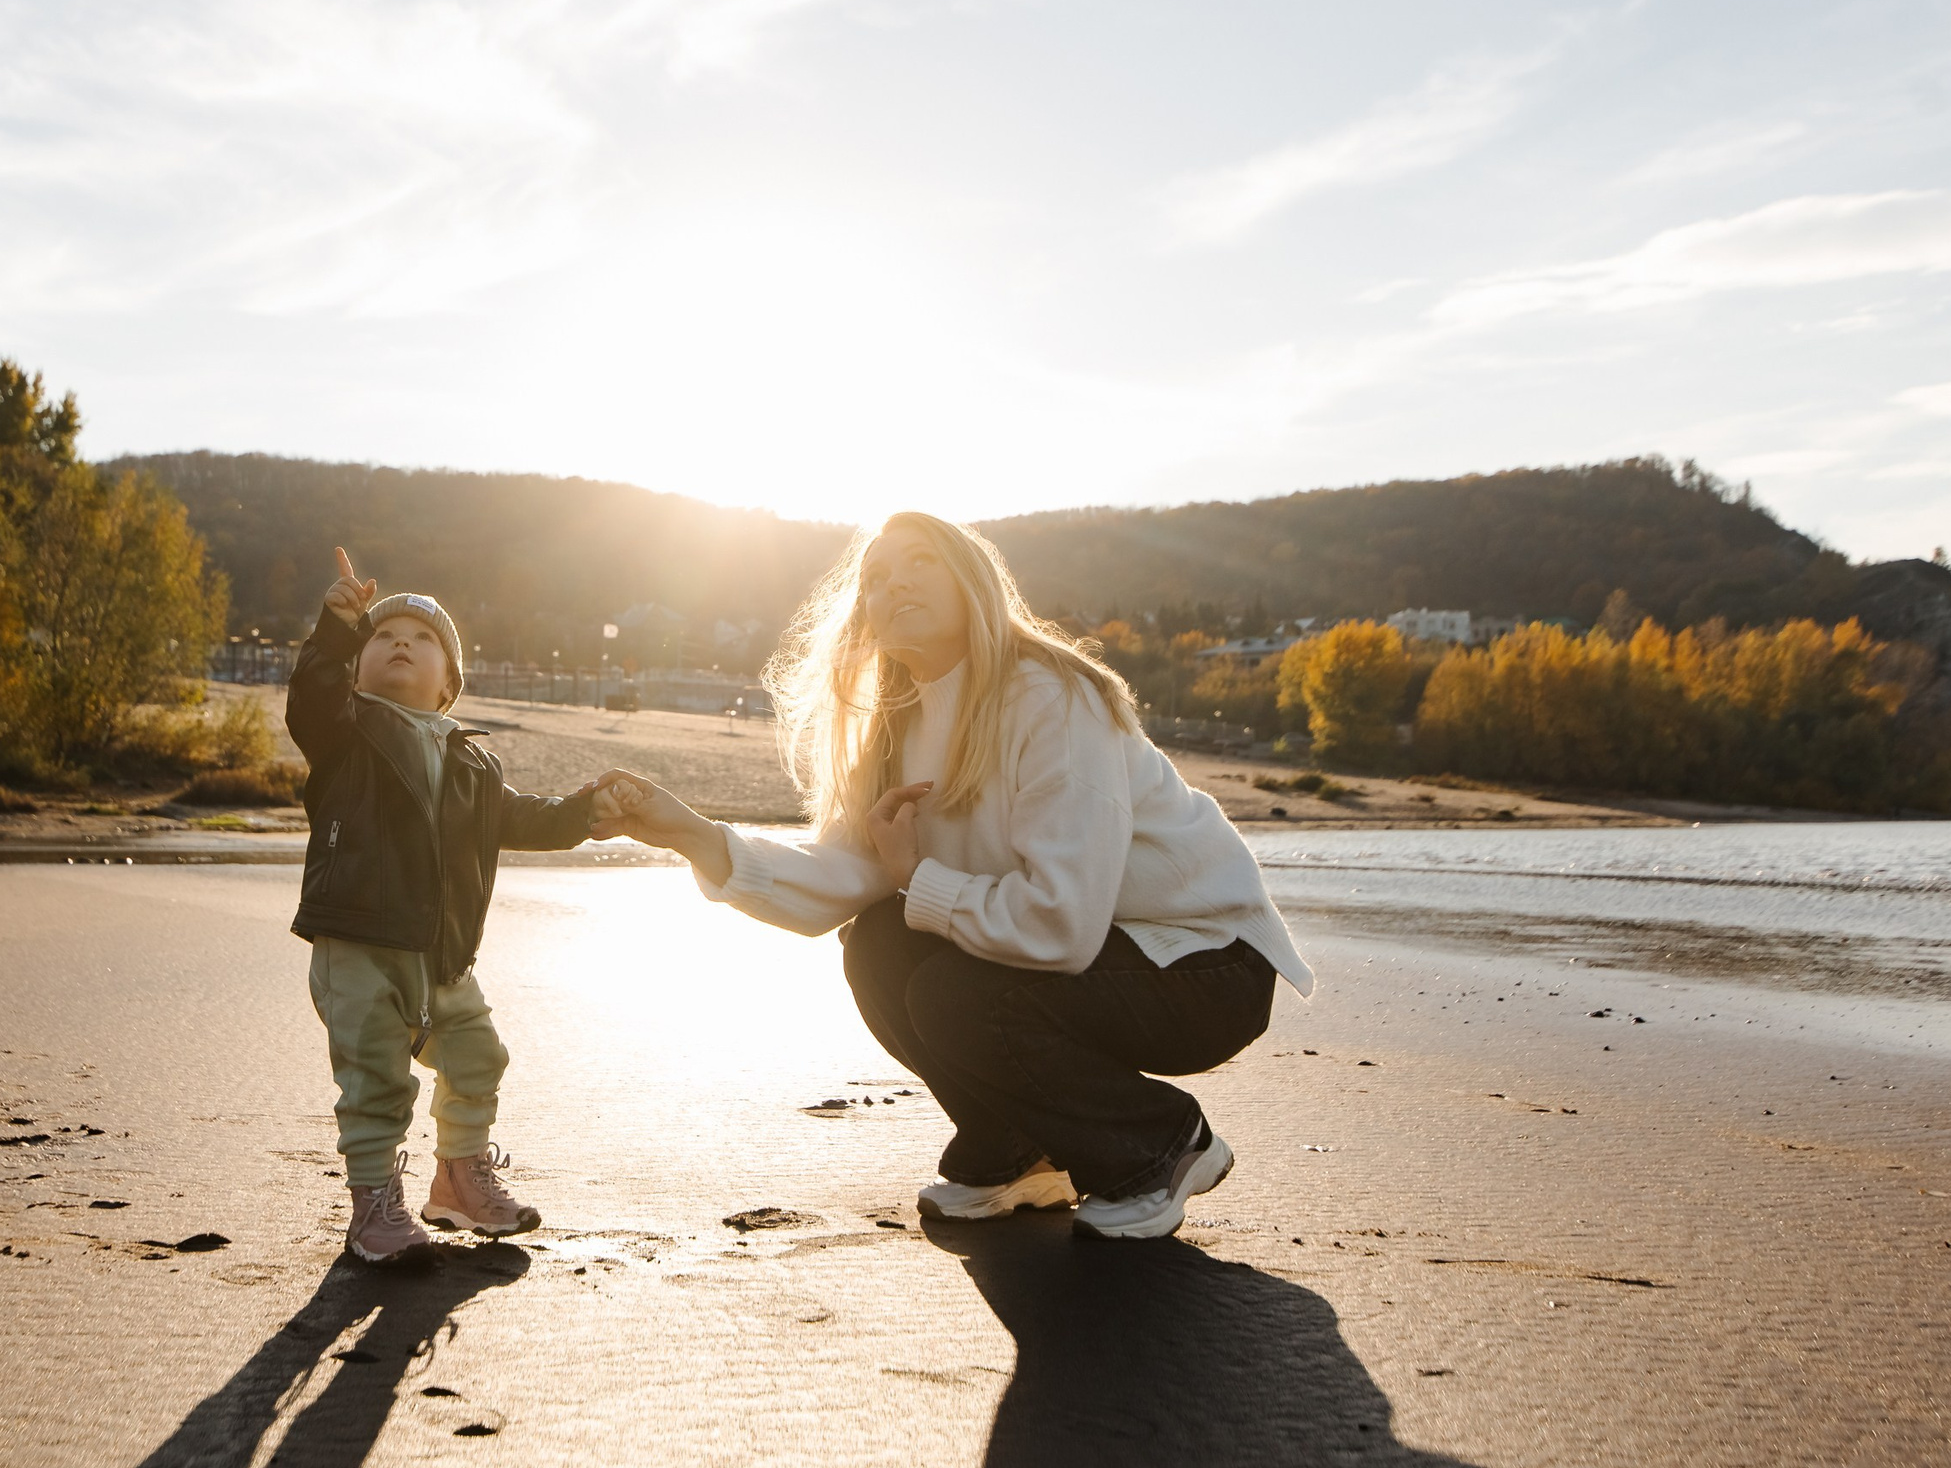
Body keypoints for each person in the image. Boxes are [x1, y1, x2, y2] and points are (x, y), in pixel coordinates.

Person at [596, 514, 1313, 1240]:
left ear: (971, 582)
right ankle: (1016, 1151)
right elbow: (838, 878)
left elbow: (1062, 922)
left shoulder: (1049, 696)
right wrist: (690, 834)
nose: (894, 582)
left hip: (1205, 963)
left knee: (953, 990)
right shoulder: (894, 726)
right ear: (864, 617)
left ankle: (1156, 1144)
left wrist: (920, 879)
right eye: (874, 578)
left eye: (919, 563)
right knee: (876, 944)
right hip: (1100, 952)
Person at [289, 548, 620, 1264]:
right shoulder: (346, 731)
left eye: (424, 638)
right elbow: (312, 696)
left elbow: (519, 818)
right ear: (356, 665)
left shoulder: (472, 761)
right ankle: (374, 1205)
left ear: (450, 685)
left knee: (479, 1055)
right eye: (382, 636)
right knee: (376, 1076)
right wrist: (335, 629)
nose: (401, 642)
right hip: (359, 941)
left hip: (443, 954)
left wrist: (584, 811)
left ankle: (459, 1178)